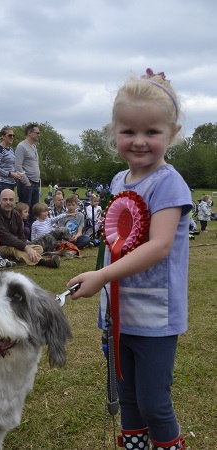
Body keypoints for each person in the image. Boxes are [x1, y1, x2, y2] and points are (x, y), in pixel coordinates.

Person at [67, 69, 191, 450]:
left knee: (155, 404)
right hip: (121, 315)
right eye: (128, 131)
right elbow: (114, 239)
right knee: (131, 403)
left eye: (152, 132)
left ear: (173, 133)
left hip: (155, 317)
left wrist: (102, 275)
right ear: (113, 131)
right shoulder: (120, 181)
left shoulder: (168, 182)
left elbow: (158, 246)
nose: (139, 141)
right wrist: (105, 293)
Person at [0, 189, 60, 268]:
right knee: (14, 249)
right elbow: (6, 238)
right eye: (5, 199)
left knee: (39, 248)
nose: (8, 202)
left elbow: (21, 236)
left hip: (15, 244)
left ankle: (18, 257)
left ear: (15, 201)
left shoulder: (16, 214)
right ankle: (43, 261)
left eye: (11, 200)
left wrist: (26, 247)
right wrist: (26, 248)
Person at [15, 123, 41, 226]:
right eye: (37, 133)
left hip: (35, 183)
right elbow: (18, 166)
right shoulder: (21, 147)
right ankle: (24, 235)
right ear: (30, 133)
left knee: (35, 212)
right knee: (25, 213)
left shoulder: (34, 146)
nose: (39, 135)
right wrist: (26, 182)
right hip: (27, 184)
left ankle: (33, 236)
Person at [0, 127, 24, 203]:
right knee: (3, 207)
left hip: (11, 183)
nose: (12, 137)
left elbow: (11, 166)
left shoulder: (10, 149)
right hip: (2, 183)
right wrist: (10, 174)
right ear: (3, 137)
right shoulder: (0, 149)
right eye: (10, 135)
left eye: (13, 135)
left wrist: (17, 173)